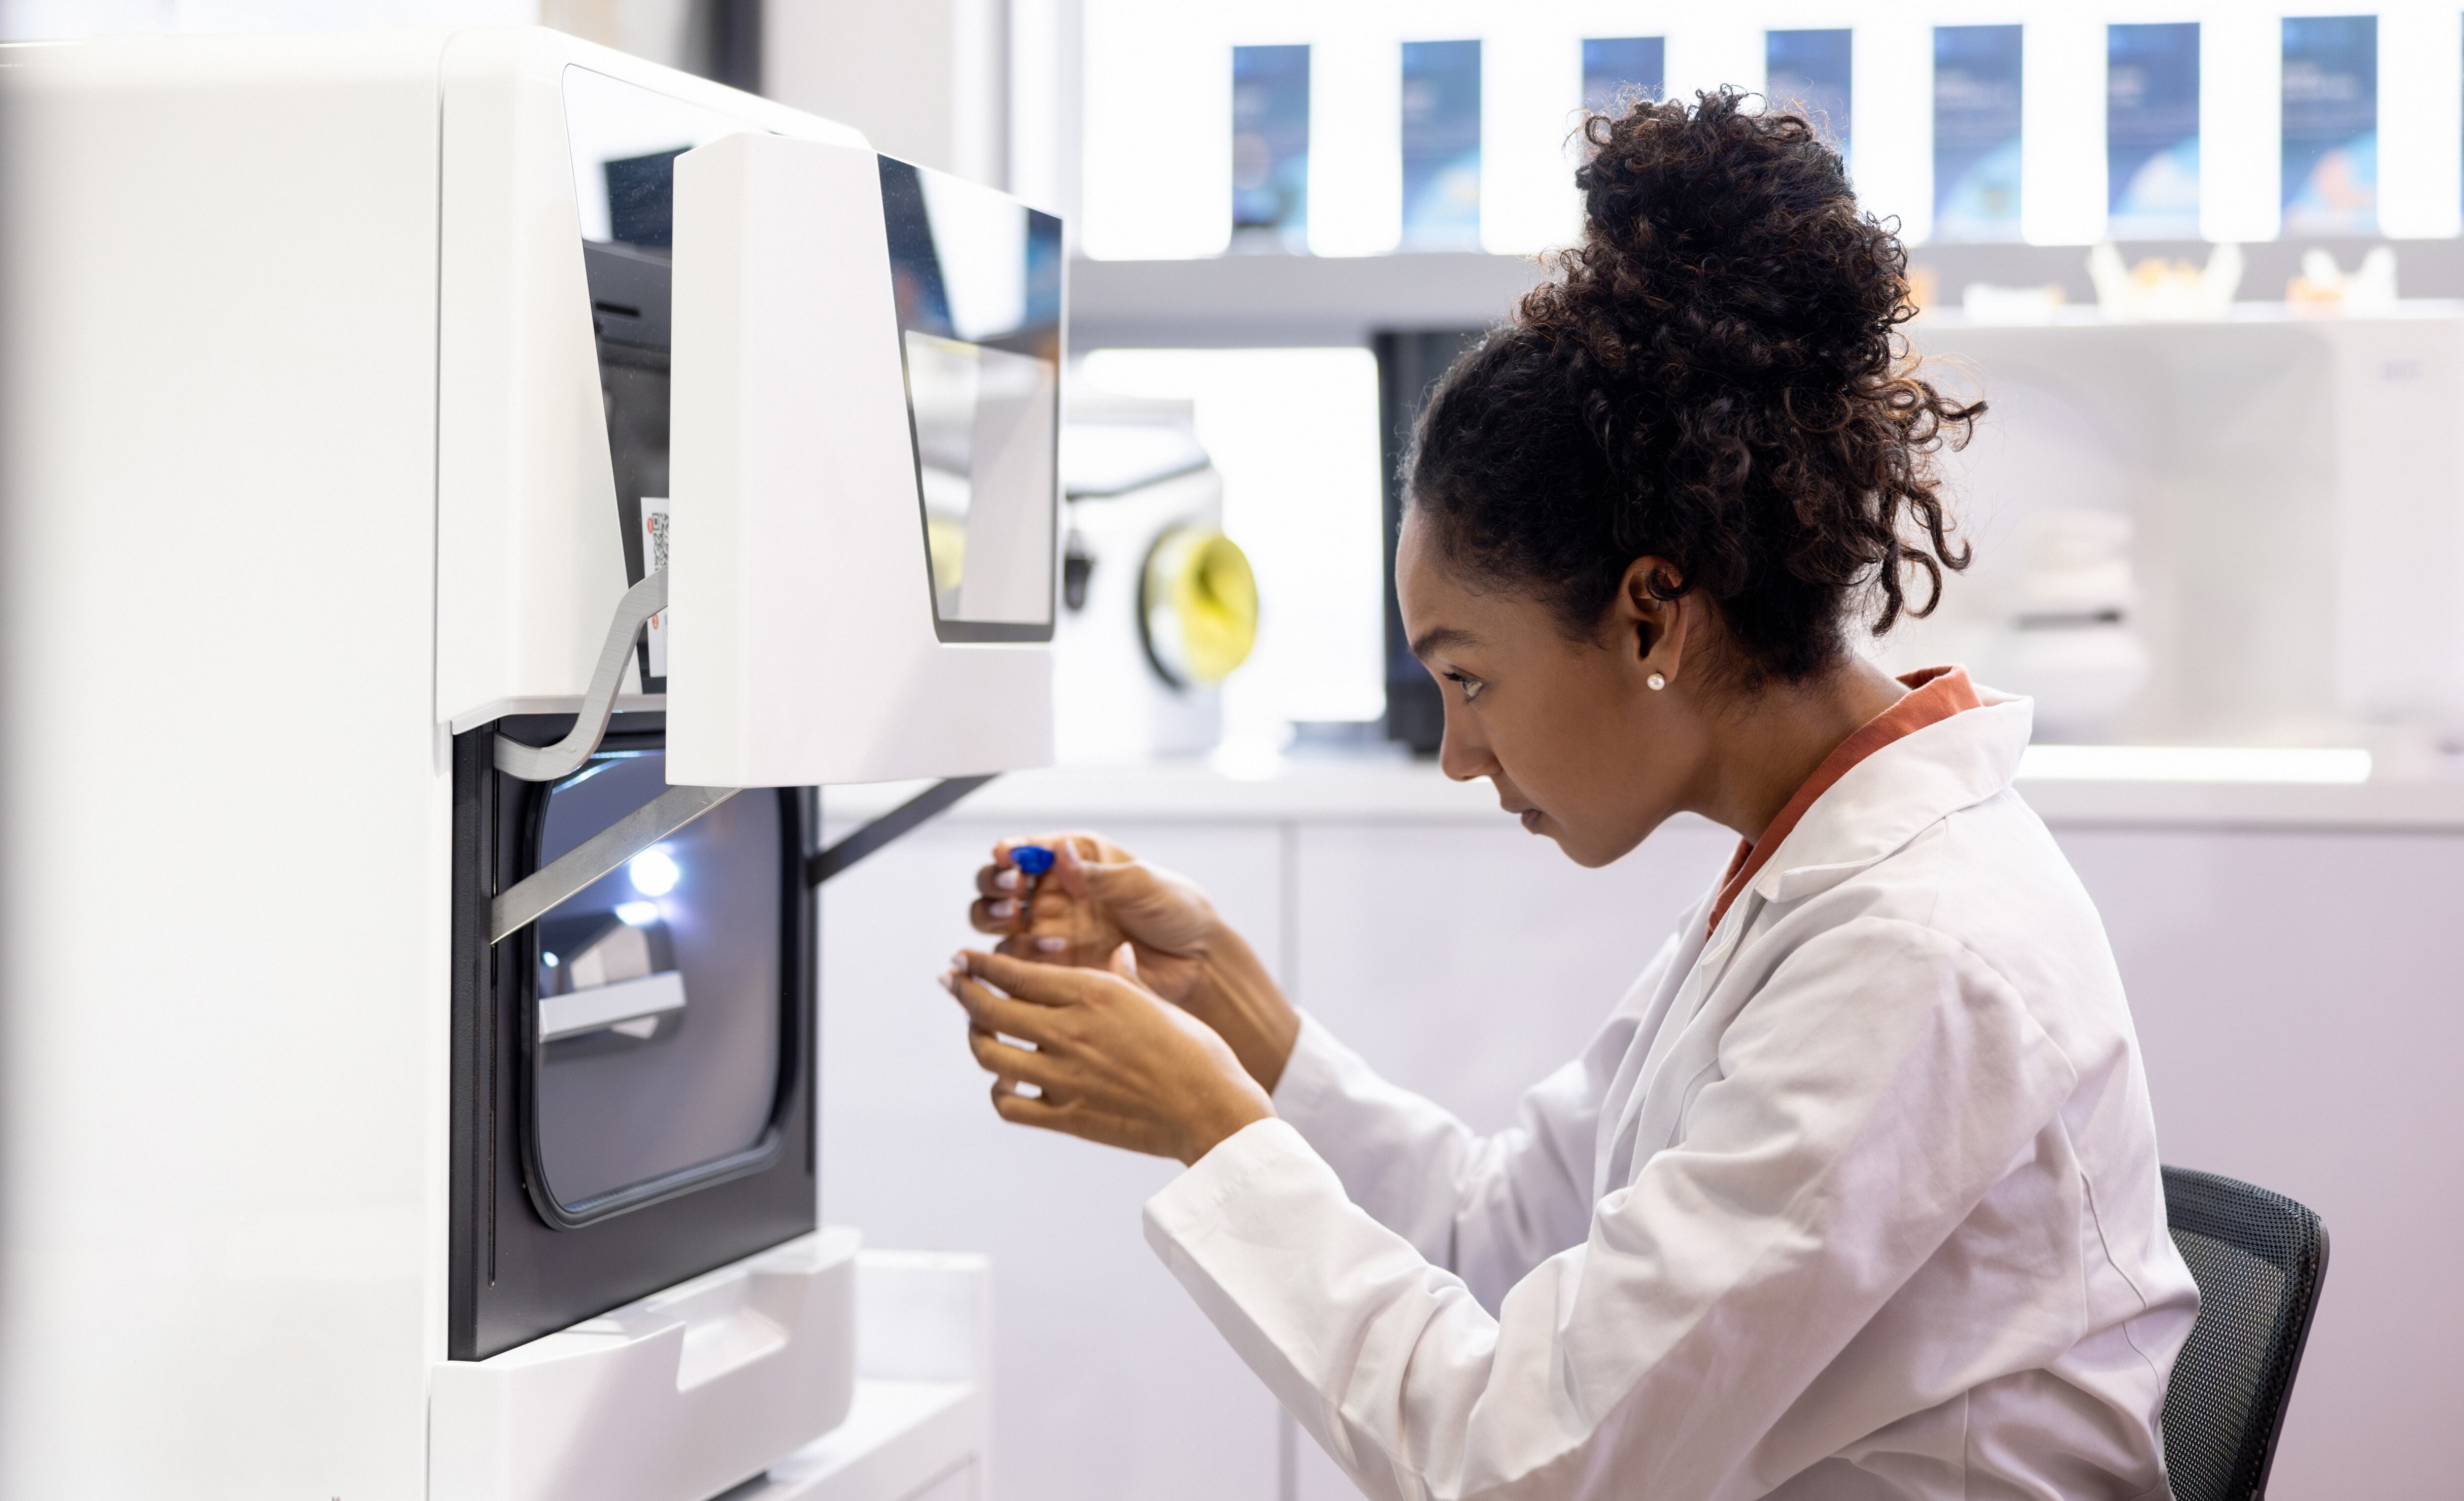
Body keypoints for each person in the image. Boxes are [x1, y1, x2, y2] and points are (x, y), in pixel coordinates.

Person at [939, 89, 2198, 1501]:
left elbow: (1523, 1463)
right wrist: (1235, 1017)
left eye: (1468, 678)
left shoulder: (1916, 951)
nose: (1459, 755)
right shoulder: (1804, 875)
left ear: (1655, 613)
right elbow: (1503, 1233)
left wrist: (1211, 1129)